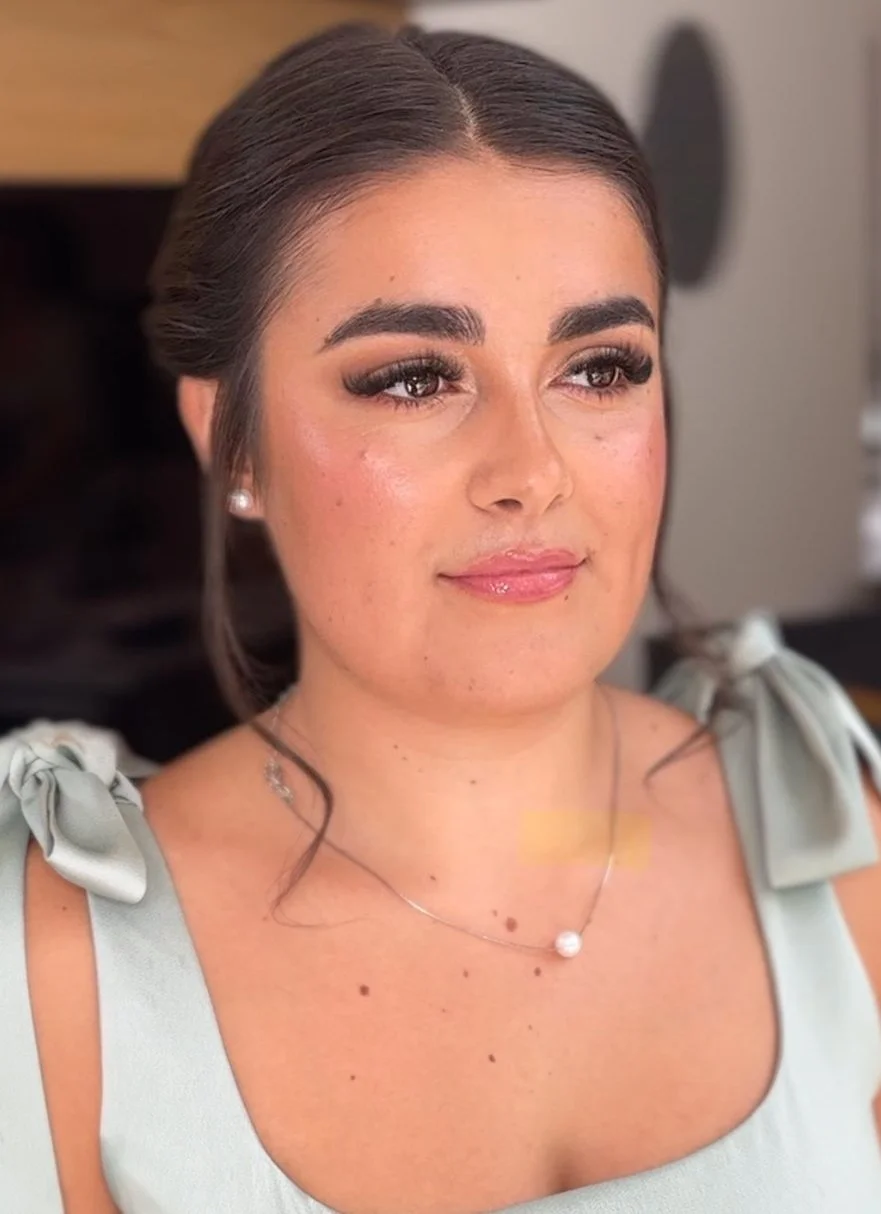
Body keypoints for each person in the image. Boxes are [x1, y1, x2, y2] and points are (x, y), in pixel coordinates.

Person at [2, 20, 881, 1214]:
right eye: (412, 376)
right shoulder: (57, 967)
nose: (532, 469)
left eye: (600, 367)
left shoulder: (831, 845)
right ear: (232, 438)